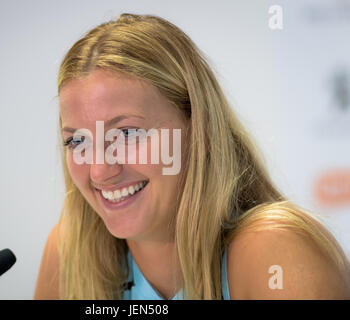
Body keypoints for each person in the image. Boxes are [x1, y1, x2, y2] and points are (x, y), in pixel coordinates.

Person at [34, 13, 350, 300]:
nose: (100, 171)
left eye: (127, 134)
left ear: (200, 129)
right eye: (77, 141)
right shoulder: (69, 251)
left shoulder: (278, 253)